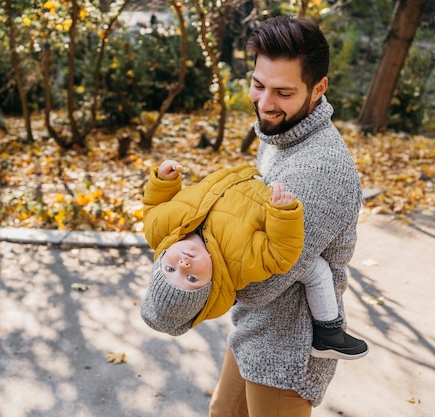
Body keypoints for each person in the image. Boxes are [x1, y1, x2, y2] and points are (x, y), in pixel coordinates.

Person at [140, 16, 366, 416]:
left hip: (288, 349)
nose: (264, 103)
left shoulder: (318, 170)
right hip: (255, 330)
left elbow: (263, 285)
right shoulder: (283, 136)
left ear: (319, 88)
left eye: (283, 92)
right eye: (259, 86)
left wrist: (195, 255)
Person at [142, 159, 368, 362]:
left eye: (170, 269)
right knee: (318, 270)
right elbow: (280, 254)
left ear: (161, 260)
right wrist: (283, 214)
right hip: (261, 192)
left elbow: (154, 205)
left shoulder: (159, 229)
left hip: (241, 176)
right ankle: (329, 331)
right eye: (191, 278)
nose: (183, 265)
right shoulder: (243, 263)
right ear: (210, 285)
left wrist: (164, 180)